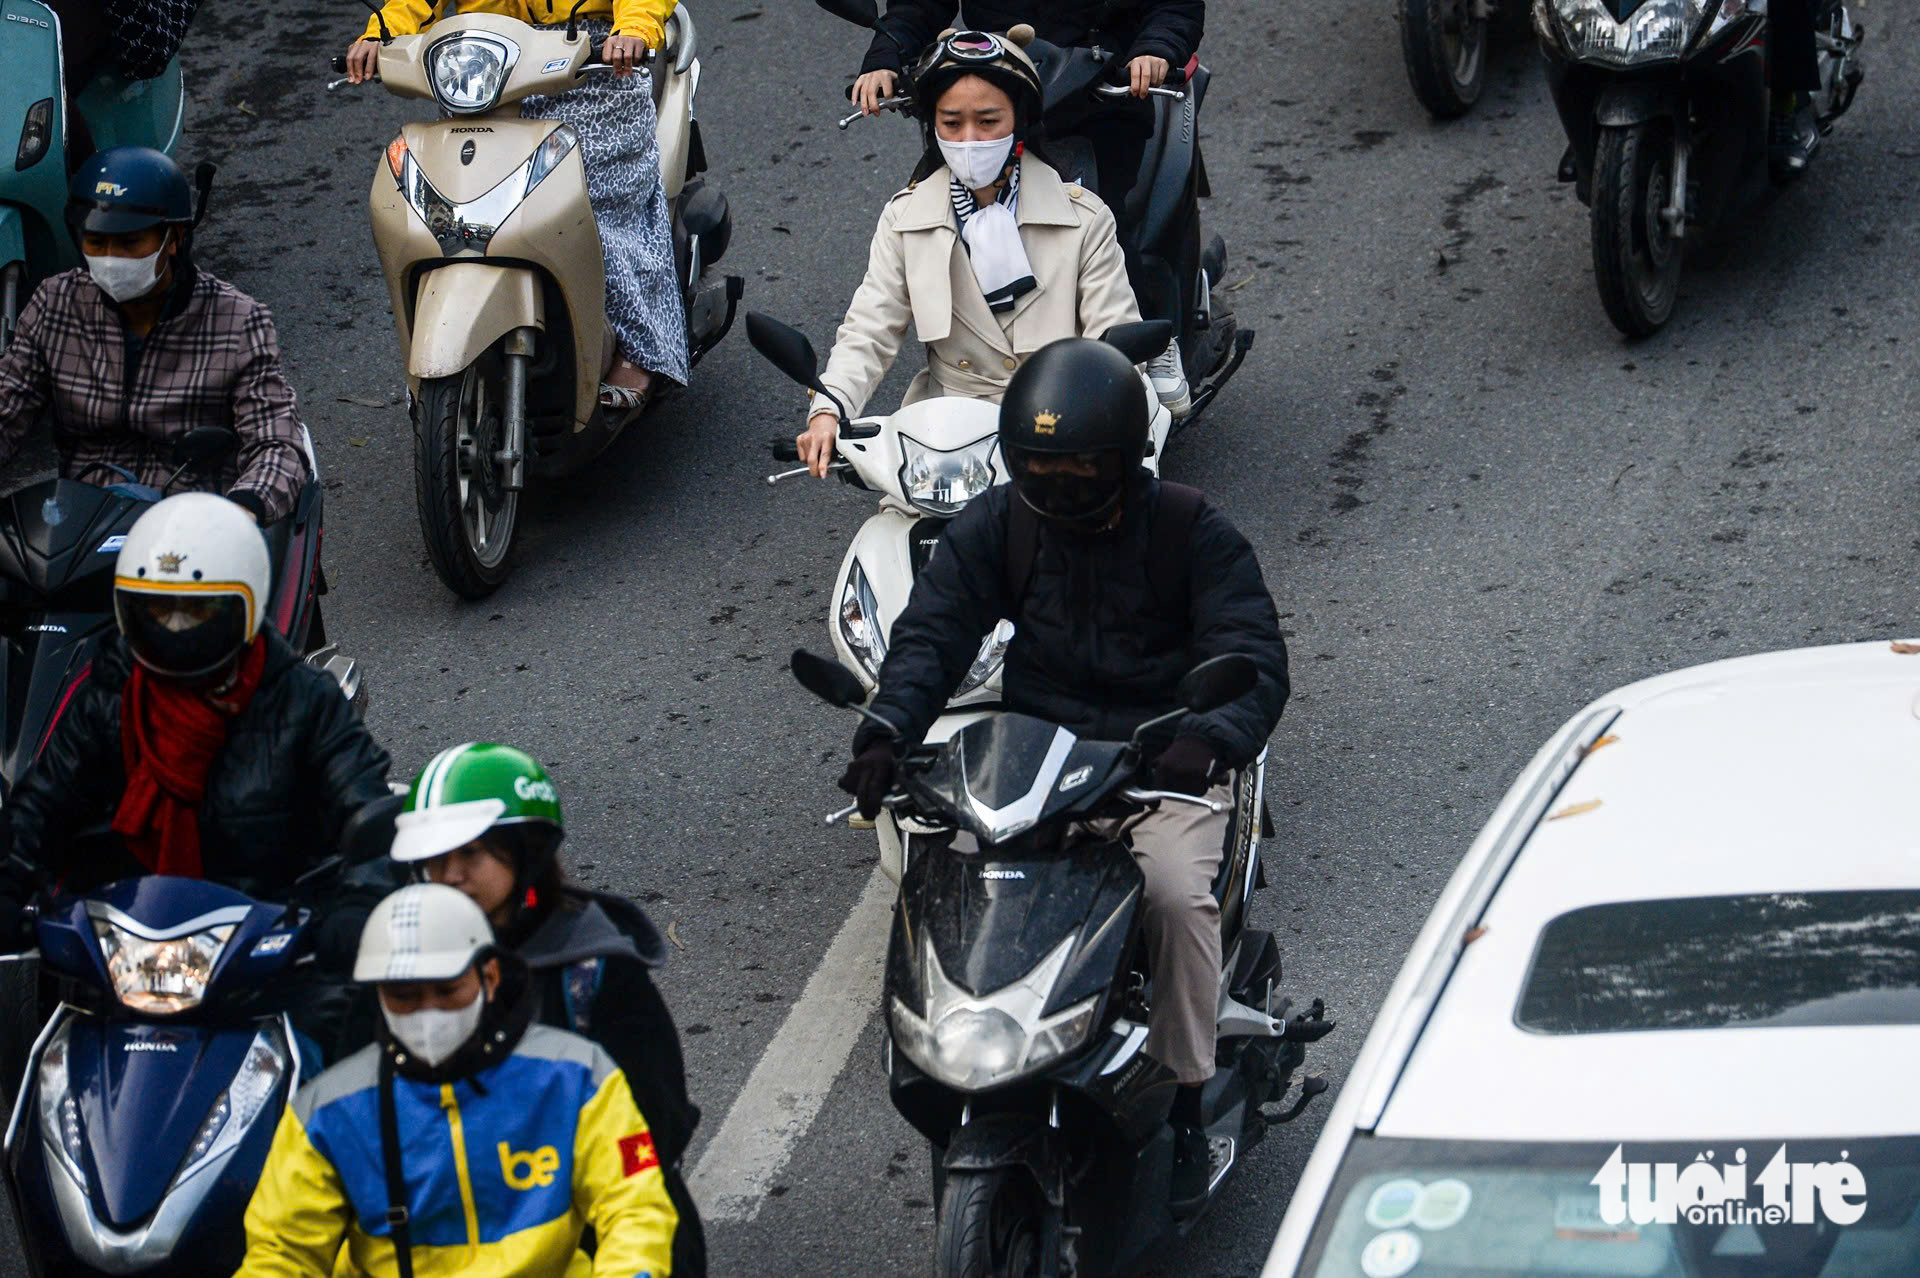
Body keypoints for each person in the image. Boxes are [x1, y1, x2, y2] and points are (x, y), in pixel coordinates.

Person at [834, 335, 1288, 1215]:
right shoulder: (1002, 527)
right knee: (951, 874)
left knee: (1169, 897)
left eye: (1080, 470)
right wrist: (887, 731)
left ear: (1124, 462)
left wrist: (1210, 737)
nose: (1060, 488)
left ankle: (1190, 1101)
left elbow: (1253, 656)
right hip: (1041, 759)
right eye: (1041, 469)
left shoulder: (1192, 532)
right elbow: (932, 634)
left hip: (1165, 761)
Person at [0, 494, 392, 1045]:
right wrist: (8, 885)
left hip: (271, 965)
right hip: (125, 954)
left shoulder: (305, 701)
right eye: (158, 612)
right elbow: (40, 808)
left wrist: (358, 907)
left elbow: (369, 810)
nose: (177, 632)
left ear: (248, 610)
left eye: (199, 612)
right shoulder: (107, 698)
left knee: (349, 1085)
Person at [237, 883, 681, 1276]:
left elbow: (634, 1208)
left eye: (446, 991)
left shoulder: (579, 1079)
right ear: (378, 996)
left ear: (488, 978)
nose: (427, 1012)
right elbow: (280, 1255)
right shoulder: (325, 1116)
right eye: (404, 997)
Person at [385, 742, 707, 1276]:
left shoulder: (595, 973)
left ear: (527, 851)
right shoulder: (405, 970)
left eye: (472, 854)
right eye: (436, 860)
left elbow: (657, 1127)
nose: (452, 875)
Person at [797, 27, 1160, 479]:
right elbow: (870, 327)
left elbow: (1116, 339)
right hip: (948, 441)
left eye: (988, 122)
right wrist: (828, 408)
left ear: (1019, 123)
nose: (969, 139)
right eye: (952, 123)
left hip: (1065, 434)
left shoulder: (1085, 219)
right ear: (935, 126)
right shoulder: (904, 219)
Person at [849, 2, 1206, 409]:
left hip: (1101, 92)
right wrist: (885, 56)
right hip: (998, 80)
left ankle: (1155, 338)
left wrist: (1155, 49)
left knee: (1106, 215)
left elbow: (1176, 5)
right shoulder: (906, 216)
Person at [343, 0, 687, 413]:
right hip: (488, 62)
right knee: (449, 205)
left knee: (590, 200)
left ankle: (638, 350)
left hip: (595, 60)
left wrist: (633, 29)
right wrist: (381, 32)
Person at [0, 148, 308, 525]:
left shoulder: (239, 321)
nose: (110, 258)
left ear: (174, 238)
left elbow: (277, 444)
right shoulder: (54, 304)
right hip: (80, 524)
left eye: (130, 243)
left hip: (192, 532)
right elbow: (7, 406)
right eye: (96, 242)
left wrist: (243, 510)